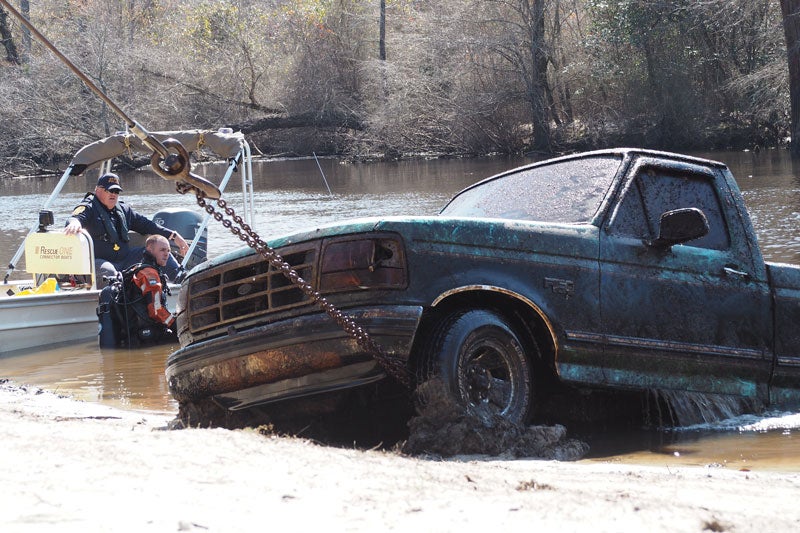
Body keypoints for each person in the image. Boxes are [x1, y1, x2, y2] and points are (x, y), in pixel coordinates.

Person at [64, 172, 190, 282]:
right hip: (98, 261)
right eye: (110, 190)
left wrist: (173, 235)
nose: (113, 194)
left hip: (126, 259)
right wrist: (75, 223)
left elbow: (147, 225)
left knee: (159, 253)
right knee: (109, 273)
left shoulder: (124, 210)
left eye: (116, 191)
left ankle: (181, 281)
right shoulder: (89, 207)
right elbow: (75, 218)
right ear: (98, 190)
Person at [97, 234, 177, 347]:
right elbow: (156, 311)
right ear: (150, 249)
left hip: (135, 335)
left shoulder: (137, 269)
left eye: (168, 250)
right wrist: (175, 324)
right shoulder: (149, 274)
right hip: (146, 336)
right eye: (162, 250)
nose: (167, 254)